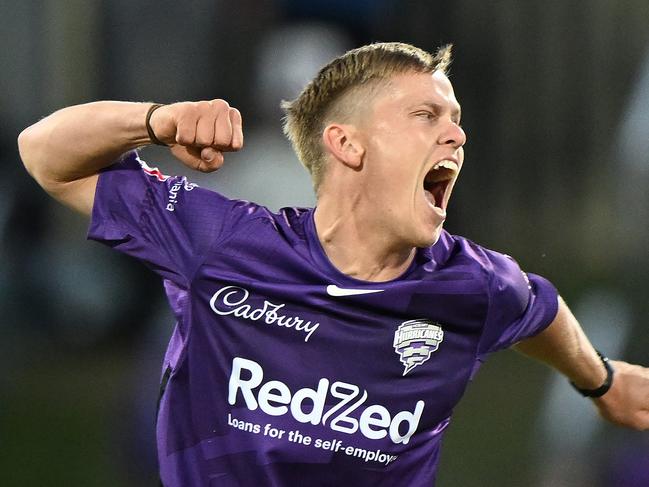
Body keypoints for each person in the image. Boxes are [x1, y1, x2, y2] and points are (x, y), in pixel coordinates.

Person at [18, 42, 649, 486]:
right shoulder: (224, 245)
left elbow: (539, 307)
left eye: (457, 121)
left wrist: (601, 382)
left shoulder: (474, 285)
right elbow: (44, 153)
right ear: (347, 144)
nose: (456, 136)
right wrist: (154, 121)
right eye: (426, 115)